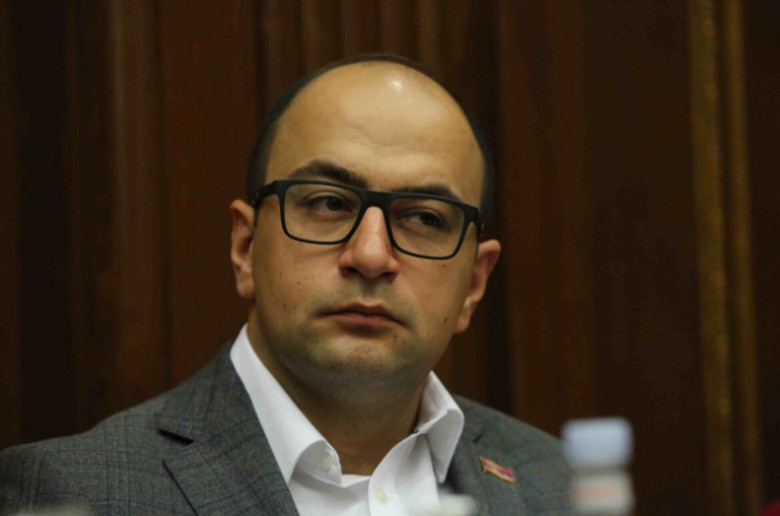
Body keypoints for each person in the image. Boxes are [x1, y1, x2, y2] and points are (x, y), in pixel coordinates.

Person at [0, 54, 568, 515]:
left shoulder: (562, 486)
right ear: (246, 248)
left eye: (424, 217)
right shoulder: (78, 494)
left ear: (474, 284)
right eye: (328, 203)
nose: (371, 256)